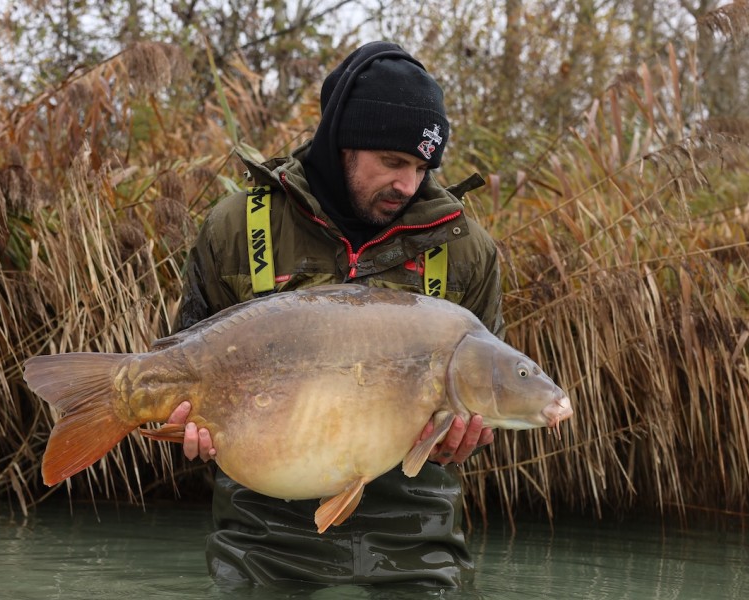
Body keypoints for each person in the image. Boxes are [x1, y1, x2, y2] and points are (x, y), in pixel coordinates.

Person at [165, 40, 505, 587]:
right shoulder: (236, 227)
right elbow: (187, 362)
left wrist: (461, 442)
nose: (408, 184)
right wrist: (187, 423)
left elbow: (484, 394)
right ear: (339, 141)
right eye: (392, 161)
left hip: (415, 535)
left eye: (422, 167)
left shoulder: (467, 250)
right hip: (265, 523)